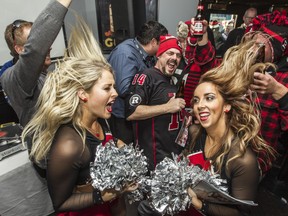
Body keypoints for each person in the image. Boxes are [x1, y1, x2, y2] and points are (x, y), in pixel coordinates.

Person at [22, 16, 138, 215]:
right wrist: (102, 196)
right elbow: (60, 203)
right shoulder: (69, 145)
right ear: (83, 93)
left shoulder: (100, 118)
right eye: (107, 88)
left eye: (114, 86)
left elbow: (101, 145)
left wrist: (118, 144)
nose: (116, 93)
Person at [183, 38, 276, 216]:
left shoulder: (242, 160)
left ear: (226, 106)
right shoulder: (195, 133)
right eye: (196, 100)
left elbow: (241, 213)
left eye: (209, 98)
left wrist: (200, 205)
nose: (199, 105)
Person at [107, 21, 168, 144]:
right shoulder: (125, 53)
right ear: (153, 42)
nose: (165, 46)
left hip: (135, 114)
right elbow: (124, 89)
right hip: (122, 118)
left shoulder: (147, 55)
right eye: (163, 43)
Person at [0, 4, 55, 127]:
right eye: (37, 44)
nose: (47, 47)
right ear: (19, 49)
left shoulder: (49, 71)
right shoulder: (9, 74)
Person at [173, 19, 220, 109]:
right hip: (175, 112)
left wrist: (201, 38)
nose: (182, 45)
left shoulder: (204, 63)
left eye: (186, 41)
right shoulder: (176, 59)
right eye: (180, 41)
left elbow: (205, 54)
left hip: (196, 111)